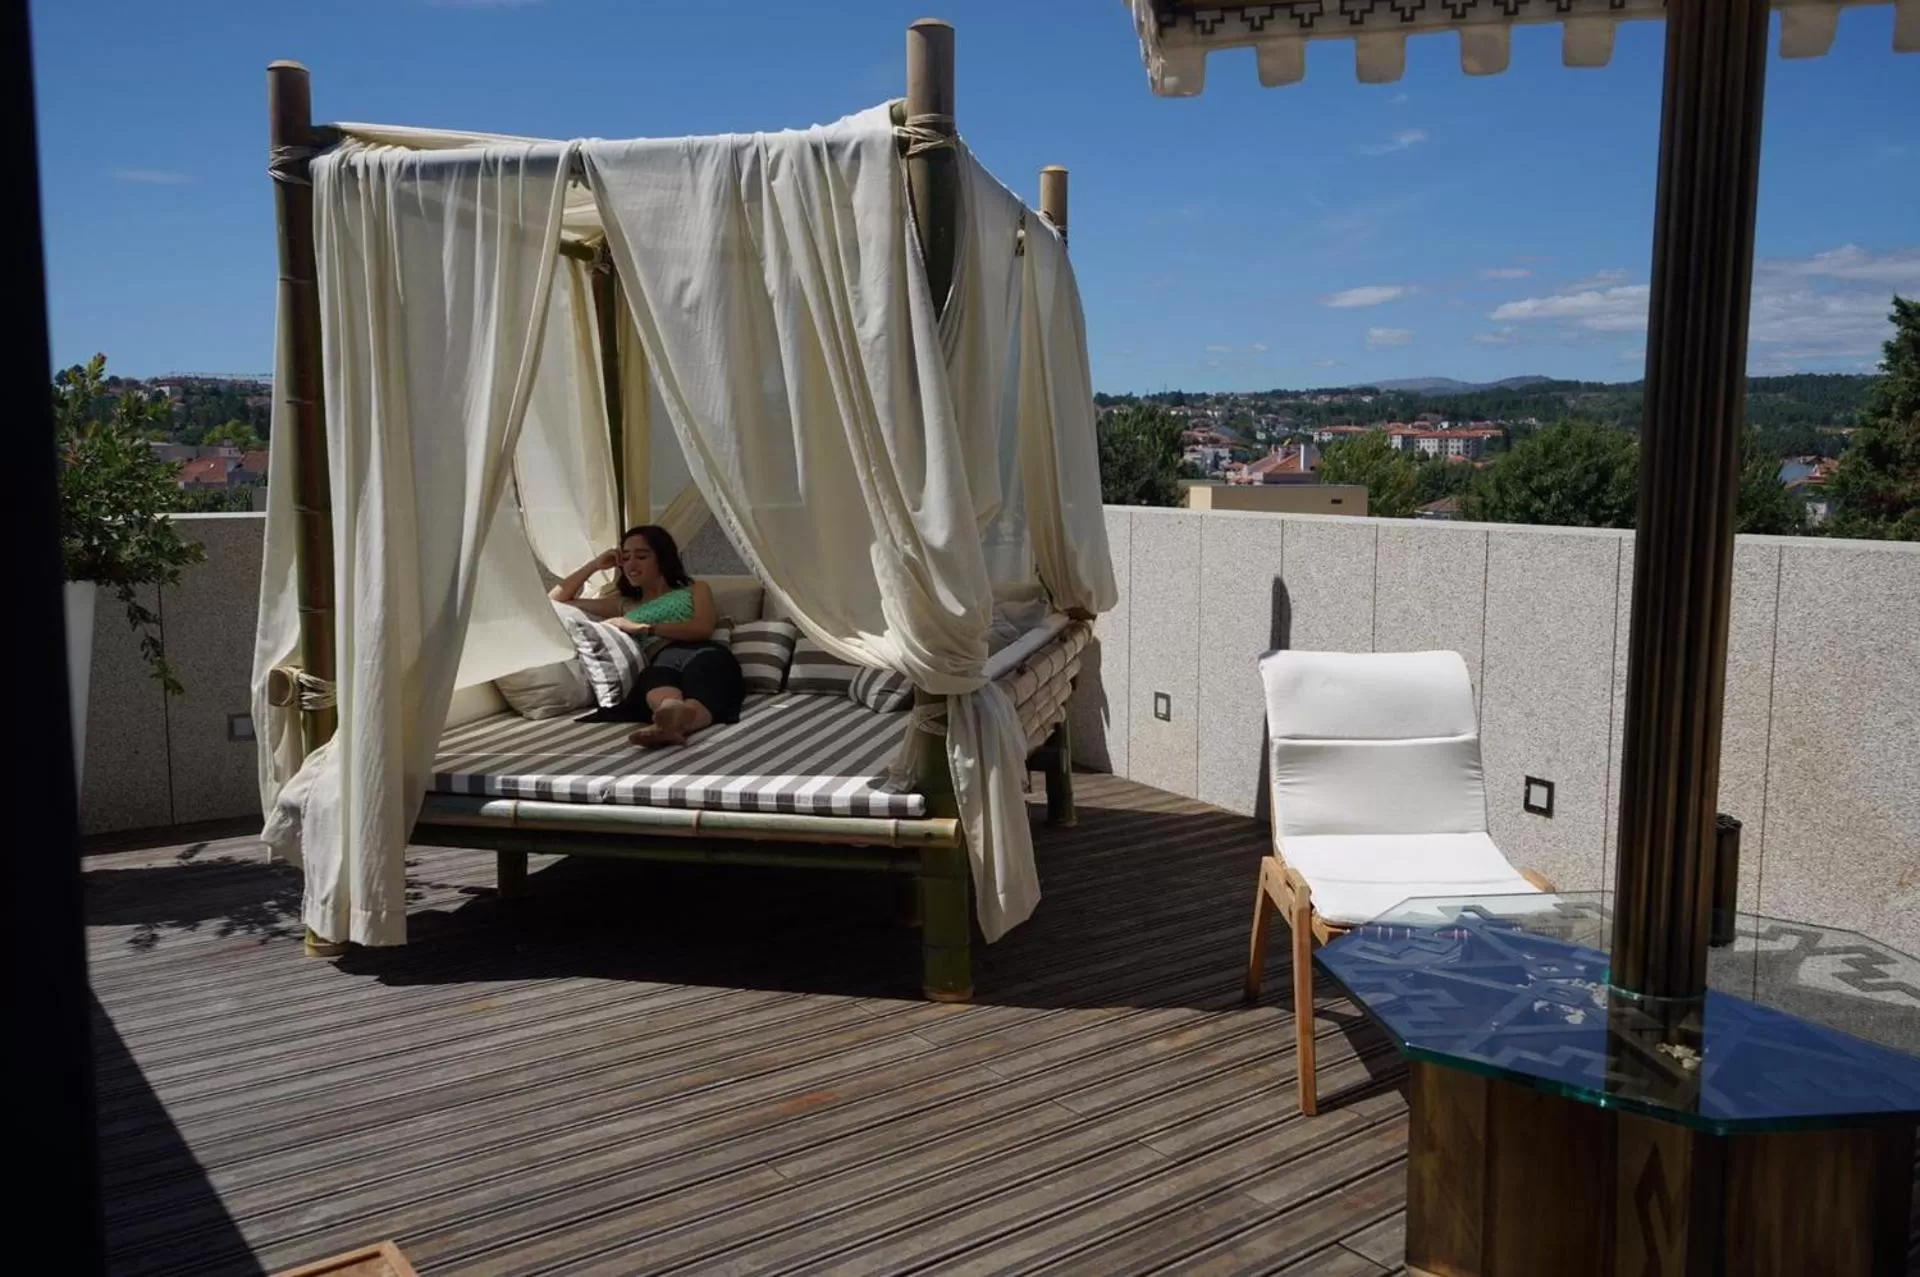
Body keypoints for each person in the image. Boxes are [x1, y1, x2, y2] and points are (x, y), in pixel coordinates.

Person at [550, 525, 744, 748]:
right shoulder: (624, 604)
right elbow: (555, 602)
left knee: (704, 680)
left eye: (641, 556)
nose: (631, 565)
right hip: (661, 660)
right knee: (655, 677)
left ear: (662, 558)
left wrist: (644, 628)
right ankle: (671, 717)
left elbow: (702, 628)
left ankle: (672, 723)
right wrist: (594, 565)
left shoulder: (694, 589)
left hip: (703, 652)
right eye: (625, 558)